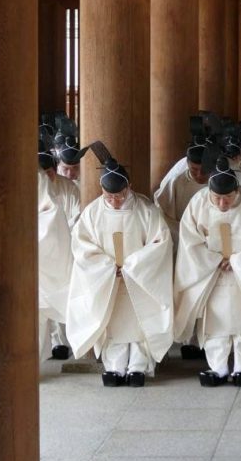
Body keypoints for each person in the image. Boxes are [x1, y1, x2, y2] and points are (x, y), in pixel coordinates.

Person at [174, 158, 241, 387]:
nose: (223, 204)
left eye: (228, 198)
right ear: (209, 192)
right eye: (217, 199)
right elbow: (189, 241)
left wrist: (238, 261)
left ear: (237, 191)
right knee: (216, 325)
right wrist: (214, 260)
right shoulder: (198, 203)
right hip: (212, 274)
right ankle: (219, 367)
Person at [66, 156, 174, 387]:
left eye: (120, 195)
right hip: (108, 281)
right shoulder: (92, 213)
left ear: (129, 187)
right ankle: (114, 367)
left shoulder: (146, 211)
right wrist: (107, 268)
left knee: (138, 324)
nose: (115, 202)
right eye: (109, 197)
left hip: (138, 281)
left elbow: (160, 242)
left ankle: (138, 366)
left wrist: (132, 267)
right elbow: (82, 246)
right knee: (113, 326)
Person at [38, 169, 73, 361]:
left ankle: (59, 342)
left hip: (41, 252)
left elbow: (49, 214)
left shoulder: (39, 179)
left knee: (46, 301)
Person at [153, 142, 209, 248]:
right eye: (194, 170)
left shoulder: (216, 182)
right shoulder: (176, 181)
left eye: (203, 171)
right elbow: (165, 213)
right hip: (179, 232)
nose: (199, 175)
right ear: (187, 164)